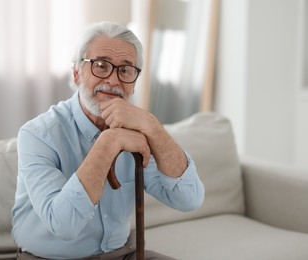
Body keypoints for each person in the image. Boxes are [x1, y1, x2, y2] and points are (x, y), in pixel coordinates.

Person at [11, 21, 205, 260]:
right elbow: (63, 225)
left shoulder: (140, 129)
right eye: (101, 66)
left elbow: (189, 199)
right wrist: (109, 141)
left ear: (133, 83)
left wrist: (154, 128)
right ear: (76, 72)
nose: (113, 80)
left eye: (125, 70)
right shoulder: (37, 135)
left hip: (123, 253)